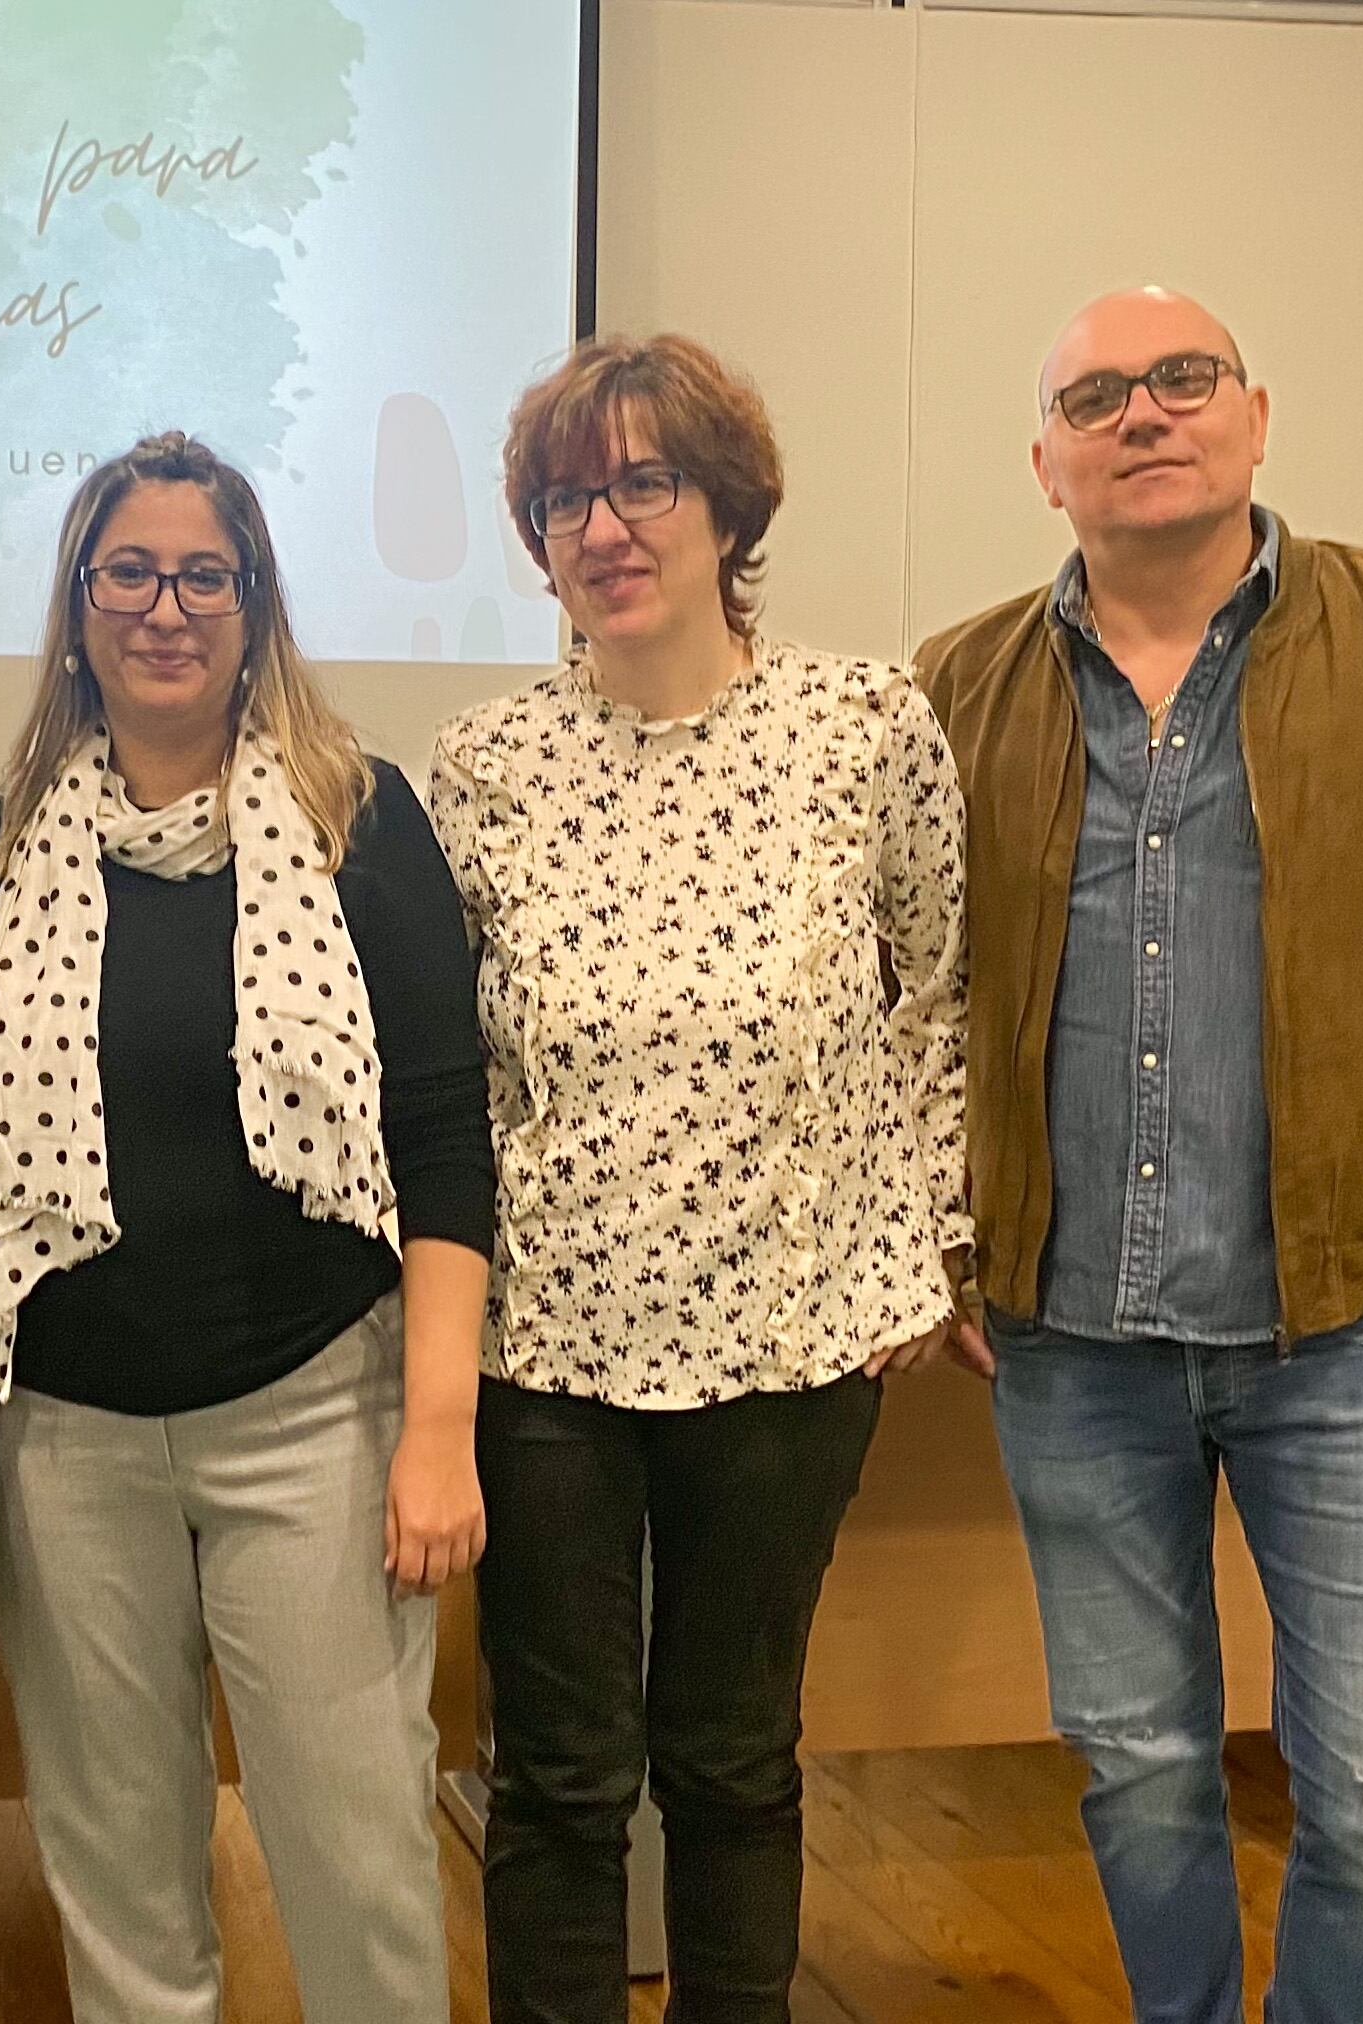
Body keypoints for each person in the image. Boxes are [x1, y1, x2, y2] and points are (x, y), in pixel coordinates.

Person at [913, 286, 1363, 2024]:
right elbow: (898, 1001)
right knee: (1136, 1766)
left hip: (1353, 1338)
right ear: (1043, 463)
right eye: (1097, 396)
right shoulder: (956, 685)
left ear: (1252, 415)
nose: (1142, 413)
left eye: (1180, 379)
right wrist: (931, 1239)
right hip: (1069, 1338)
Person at [428, 333, 970, 2023]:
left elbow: (938, 994)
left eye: (643, 480)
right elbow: (442, 1074)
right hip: (546, 1355)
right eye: (563, 496)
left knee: (735, 1760)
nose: (603, 524)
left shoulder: (861, 725)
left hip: (791, 1341)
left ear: (726, 505)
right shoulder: (479, 769)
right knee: (562, 1778)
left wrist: (922, 1243)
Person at [0, 430, 494, 2021]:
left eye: (206, 573)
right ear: (77, 601)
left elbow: (444, 1138)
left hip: (313, 1421)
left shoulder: (357, 819)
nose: (165, 606)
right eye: (128, 570)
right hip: (63, 1442)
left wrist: (437, 1427)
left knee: (358, 1863)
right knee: (116, 1873)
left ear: (254, 602)